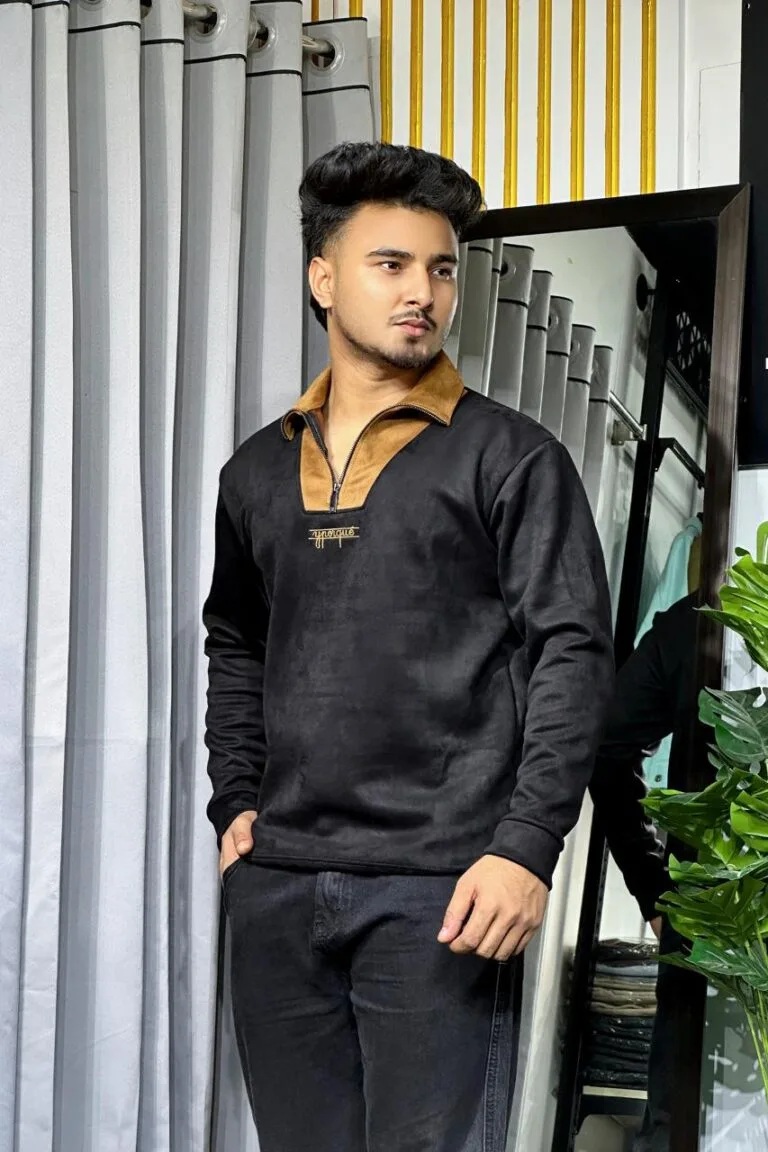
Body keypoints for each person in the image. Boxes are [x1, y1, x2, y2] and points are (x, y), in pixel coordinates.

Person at [203, 141, 614, 1152]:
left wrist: (524, 848)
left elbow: (572, 652)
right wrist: (236, 799)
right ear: (323, 278)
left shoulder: (512, 457)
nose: (422, 293)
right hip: (280, 883)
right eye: (390, 264)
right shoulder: (255, 471)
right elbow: (236, 643)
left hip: (445, 887)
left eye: (440, 269)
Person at [590, 591, 699, 1152]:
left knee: (684, 1121)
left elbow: (607, 747)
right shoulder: (702, 618)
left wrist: (653, 888)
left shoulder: (705, 615)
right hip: (708, 922)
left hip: (709, 918)